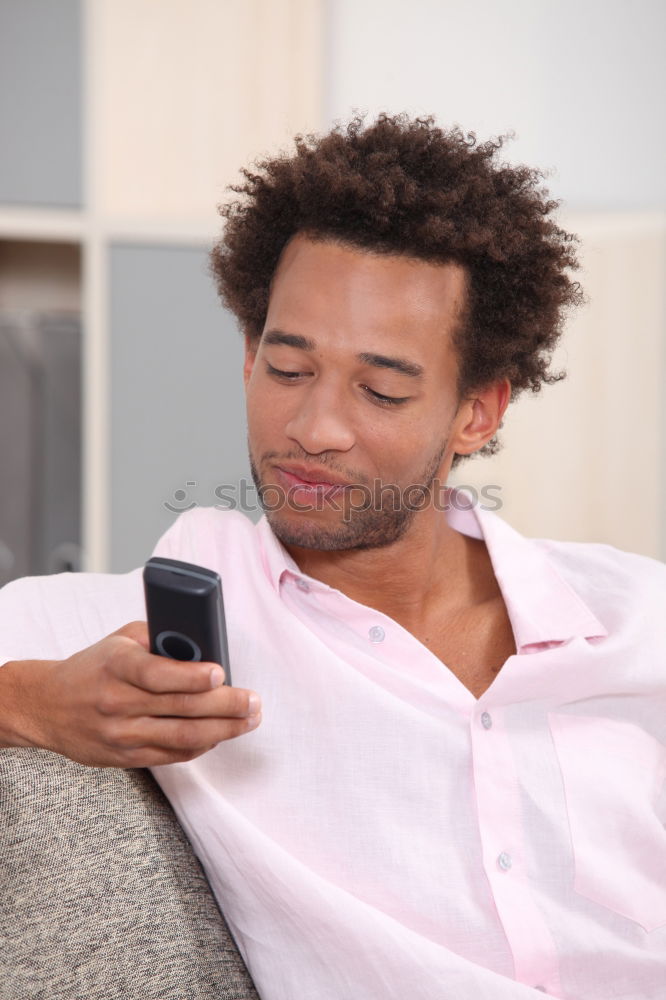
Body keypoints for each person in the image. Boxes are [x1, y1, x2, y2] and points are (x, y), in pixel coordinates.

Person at [1, 113, 665, 1000]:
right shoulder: (165, 623)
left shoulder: (637, 618)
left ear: (480, 411)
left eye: (381, 390)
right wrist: (34, 703)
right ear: (247, 358)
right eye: (285, 370)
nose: (313, 430)